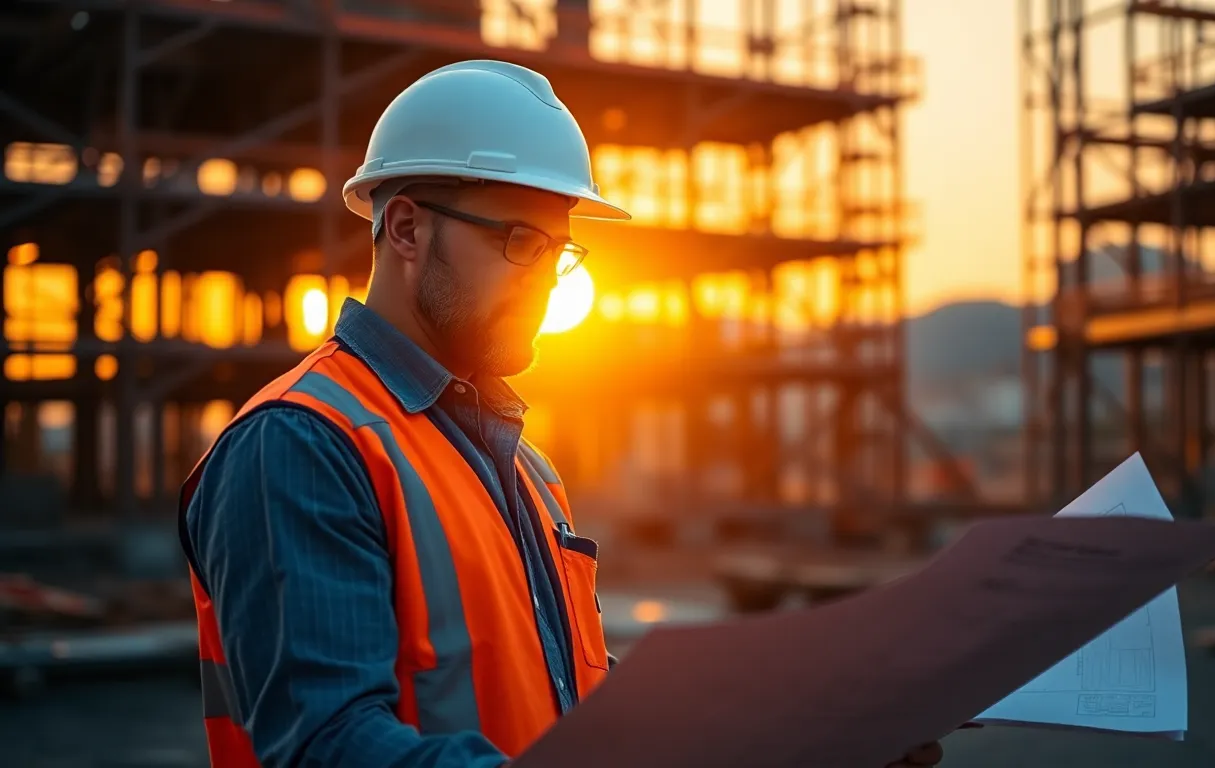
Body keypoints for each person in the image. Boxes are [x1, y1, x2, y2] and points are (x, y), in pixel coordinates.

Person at [179, 59, 944, 767]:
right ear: (406, 229)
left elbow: (571, 703)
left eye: (559, 252)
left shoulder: (521, 467)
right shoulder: (302, 444)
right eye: (520, 242)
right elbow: (332, 746)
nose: (547, 282)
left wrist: (801, 735)